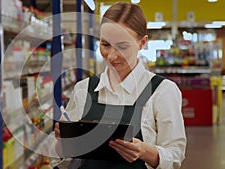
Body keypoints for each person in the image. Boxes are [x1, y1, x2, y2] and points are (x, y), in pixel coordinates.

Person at [54, 2, 186, 169]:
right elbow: (66, 159)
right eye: (105, 44)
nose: (111, 56)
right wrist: (63, 142)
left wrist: (146, 152)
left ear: (142, 42)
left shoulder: (163, 91)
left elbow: (175, 155)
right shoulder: (83, 89)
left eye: (122, 46)